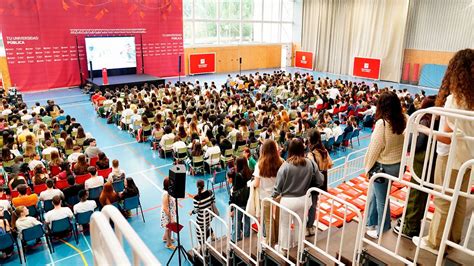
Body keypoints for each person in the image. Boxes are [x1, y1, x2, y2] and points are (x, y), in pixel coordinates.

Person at [413, 49, 474, 253]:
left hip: (450, 156)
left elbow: (446, 137)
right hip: (468, 159)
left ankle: (435, 242)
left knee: (442, 199)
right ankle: (453, 239)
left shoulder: (455, 100)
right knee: (459, 198)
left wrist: (423, 129)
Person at [364, 91, 407, 239]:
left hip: (383, 167)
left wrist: (367, 168)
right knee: (377, 195)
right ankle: (371, 223)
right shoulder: (404, 119)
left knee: (381, 199)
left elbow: (375, 149)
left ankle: (383, 229)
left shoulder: (382, 123)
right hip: (397, 165)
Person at [394, 96, 437, 239]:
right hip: (431, 162)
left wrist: (410, 136)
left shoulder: (424, 121)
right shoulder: (438, 122)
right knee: (423, 194)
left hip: (421, 162)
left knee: (415, 194)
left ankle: (409, 227)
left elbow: (416, 144)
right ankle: (413, 224)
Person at [271, 138, 323, 253]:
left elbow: (277, 188)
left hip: (288, 201)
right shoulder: (310, 163)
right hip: (304, 199)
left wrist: (272, 198)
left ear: (289, 149)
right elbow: (320, 180)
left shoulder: (285, 166)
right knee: (300, 224)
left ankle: (284, 249)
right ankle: (299, 247)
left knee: (285, 225)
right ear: (302, 148)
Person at [306, 129, 333, 236]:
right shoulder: (324, 151)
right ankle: (311, 226)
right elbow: (330, 164)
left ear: (310, 141)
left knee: (308, 205)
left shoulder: (311, 155)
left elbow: (310, 170)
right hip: (321, 183)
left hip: (311, 183)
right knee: (314, 205)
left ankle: (306, 227)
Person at [229, 157, 251, 242]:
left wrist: (231, 206)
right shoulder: (249, 172)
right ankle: (247, 236)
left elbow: (234, 191)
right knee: (247, 220)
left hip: (239, 202)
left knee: (237, 221)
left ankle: (236, 237)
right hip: (248, 200)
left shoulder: (238, 175)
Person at [190, 179, 216, 243]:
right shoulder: (210, 192)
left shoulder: (196, 198)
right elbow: (213, 201)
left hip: (201, 220)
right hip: (209, 217)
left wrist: (191, 212)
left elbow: (196, 210)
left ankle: (202, 245)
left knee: (199, 231)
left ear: (197, 186)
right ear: (204, 186)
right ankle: (212, 234)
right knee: (207, 225)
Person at [160, 177, 176, 250]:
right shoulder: (166, 194)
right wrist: (171, 217)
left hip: (171, 212)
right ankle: (169, 244)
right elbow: (165, 208)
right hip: (167, 214)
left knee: (169, 228)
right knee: (169, 228)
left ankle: (165, 238)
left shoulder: (170, 192)